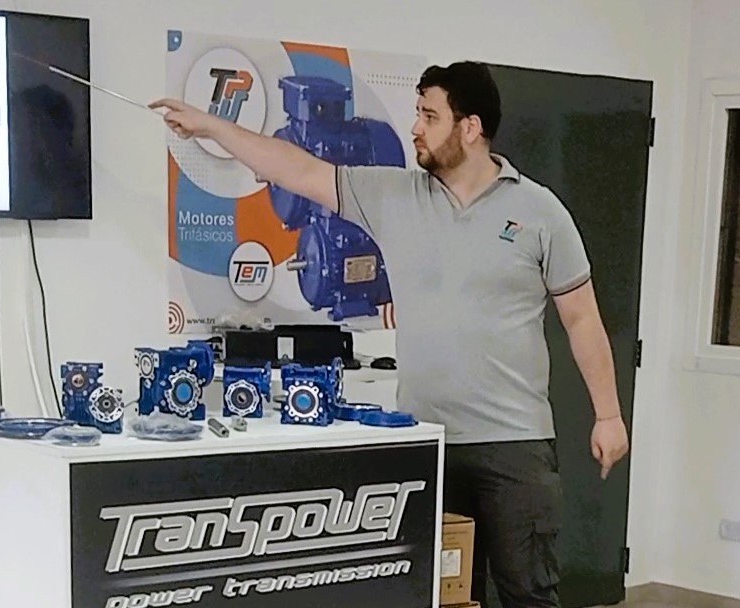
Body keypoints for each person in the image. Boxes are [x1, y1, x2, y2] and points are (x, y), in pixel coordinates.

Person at [150, 61, 629, 608]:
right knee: (442, 598)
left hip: (515, 446)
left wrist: (609, 415)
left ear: (470, 127)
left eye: (430, 116)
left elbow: (581, 318)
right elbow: (296, 169)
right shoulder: (392, 196)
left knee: (529, 596)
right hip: (428, 441)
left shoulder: (540, 211)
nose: (416, 128)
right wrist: (213, 126)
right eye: (416, 114)